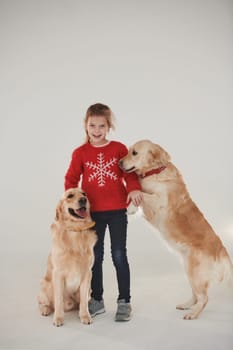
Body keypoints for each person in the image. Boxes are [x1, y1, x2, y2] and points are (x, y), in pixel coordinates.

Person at [64, 103, 143, 322]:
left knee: (119, 255)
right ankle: (97, 299)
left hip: (117, 210)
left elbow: (129, 173)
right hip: (90, 215)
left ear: (109, 126)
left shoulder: (118, 148)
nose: (96, 130)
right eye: (92, 125)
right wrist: (73, 206)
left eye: (101, 125)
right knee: (95, 257)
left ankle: (124, 301)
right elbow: (71, 179)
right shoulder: (80, 153)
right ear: (85, 126)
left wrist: (134, 188)